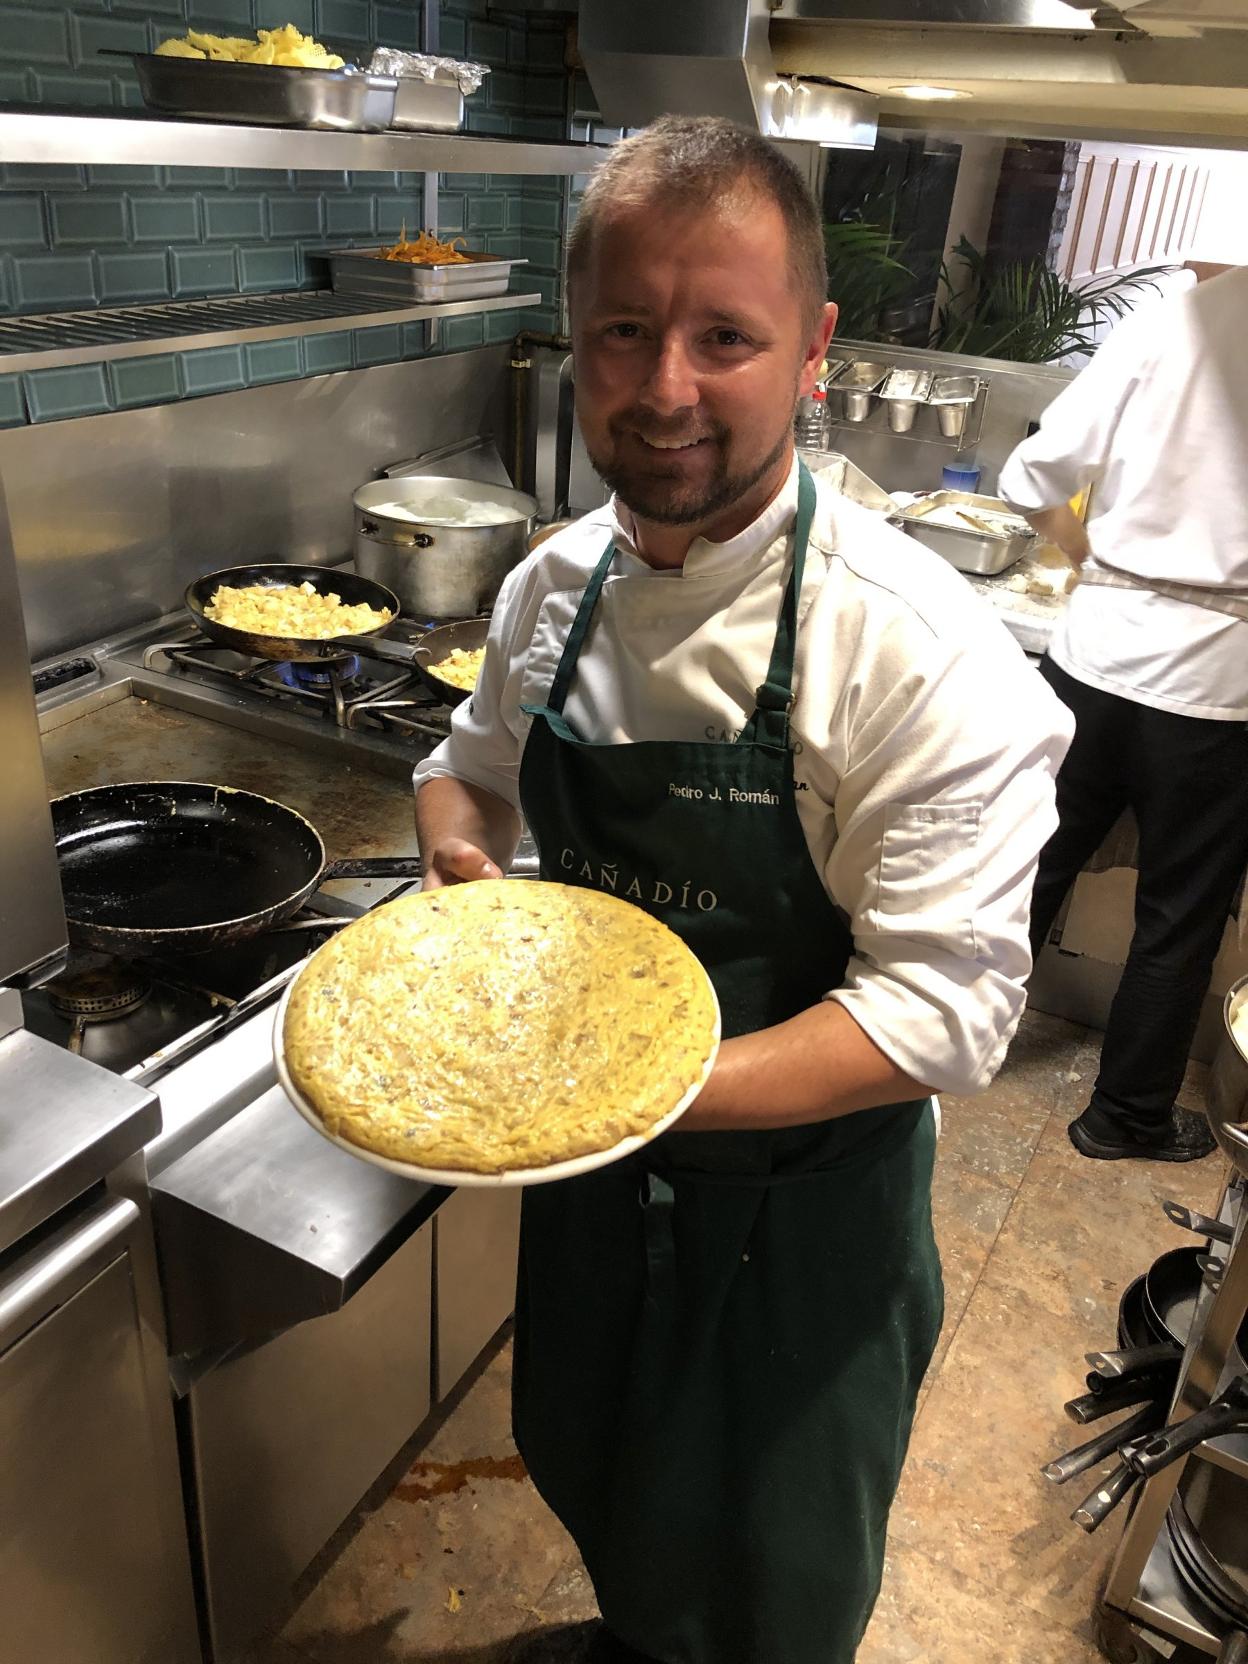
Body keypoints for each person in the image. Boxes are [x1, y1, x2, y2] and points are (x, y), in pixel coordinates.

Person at [414, 116, 1072, 1664]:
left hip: (802, 1230)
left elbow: (945, 1016)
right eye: (626, 332)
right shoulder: (548, 587)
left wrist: (623, 1090)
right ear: (573, 341)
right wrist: (461, 865)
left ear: (814, 351)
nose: (665, 391)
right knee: (598, 1469)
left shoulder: (911, 650)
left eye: (726, 337)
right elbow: (470, 762)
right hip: (592, 1203)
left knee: (775, 1582)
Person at [999, 266, 1248, 1166]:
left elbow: (1031, 473)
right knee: (1178, 916)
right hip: (1219, 692)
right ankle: (1125, 1114)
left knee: (1025, 867)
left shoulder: (1171, 320)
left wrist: (1091, 551)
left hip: (1093, 658)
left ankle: (956, 1044)